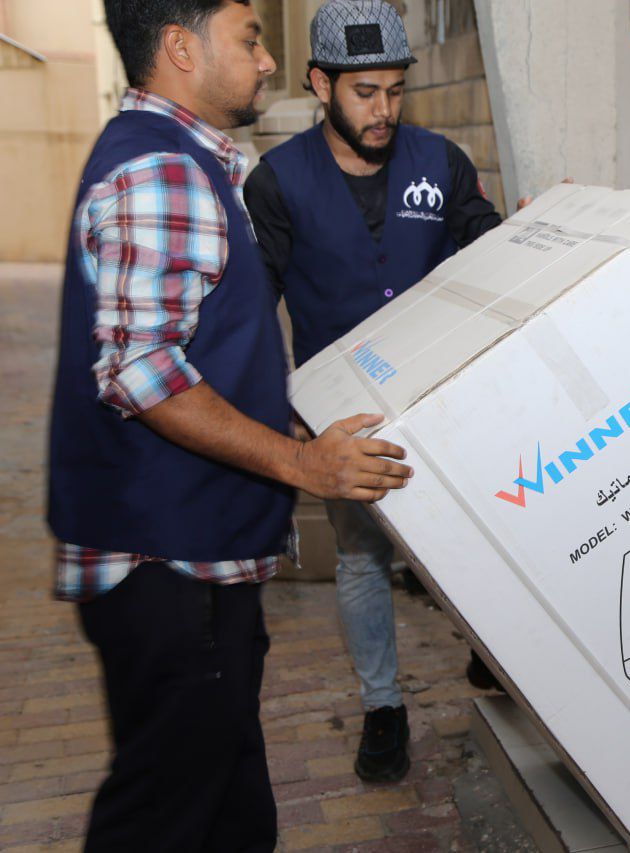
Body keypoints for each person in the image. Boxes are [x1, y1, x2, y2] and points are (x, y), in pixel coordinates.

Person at [48, 1, 412, 849]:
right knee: (168, 815)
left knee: (228, 809)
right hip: (170, 563)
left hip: (189, 557)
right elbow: (143, 371)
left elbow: (197, 345)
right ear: (181, 48)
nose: (267, 60)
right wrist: (301, 464)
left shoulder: (183, 160)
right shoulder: (163, 173)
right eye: (249, 39)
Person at [244, 0, 514, 784]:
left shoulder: (441, 162)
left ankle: (494, 650)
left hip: (443, 393)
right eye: (365, 92)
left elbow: (488, 246)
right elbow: (253, 309)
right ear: (320, 84)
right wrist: (282, 417)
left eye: (395, 90)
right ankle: (384, 706)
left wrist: (531, 231)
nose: (384, 109)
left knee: (478, 530)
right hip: (345, 413)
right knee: (363, 558)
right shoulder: (278, 182)